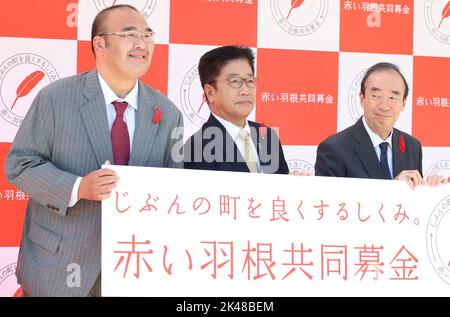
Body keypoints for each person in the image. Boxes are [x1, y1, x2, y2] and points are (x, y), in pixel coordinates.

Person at [5, 4, 183, 296]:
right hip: (58, 266)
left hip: (134, 268)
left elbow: (176, 189)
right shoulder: (55, 98)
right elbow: (20, 164)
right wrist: (77, 187)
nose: (142, 44)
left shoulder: (168, 112)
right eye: (129, 34)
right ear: (100, 44)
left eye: (147, 35)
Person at [315, 62, 446, 189]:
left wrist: (431, 189)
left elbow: (412, 202)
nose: (384, 106)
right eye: (376, 96)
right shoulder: (333, 148)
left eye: (393, 98)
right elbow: (330, 205)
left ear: (403, 103)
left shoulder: (412, 146)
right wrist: (392, 187)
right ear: (362, 98)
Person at [184, 45, 289, 174]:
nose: (245, 91)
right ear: (210, 92)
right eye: (234, 81)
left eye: (250, 81)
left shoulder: (267, 135)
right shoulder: (198, 147)